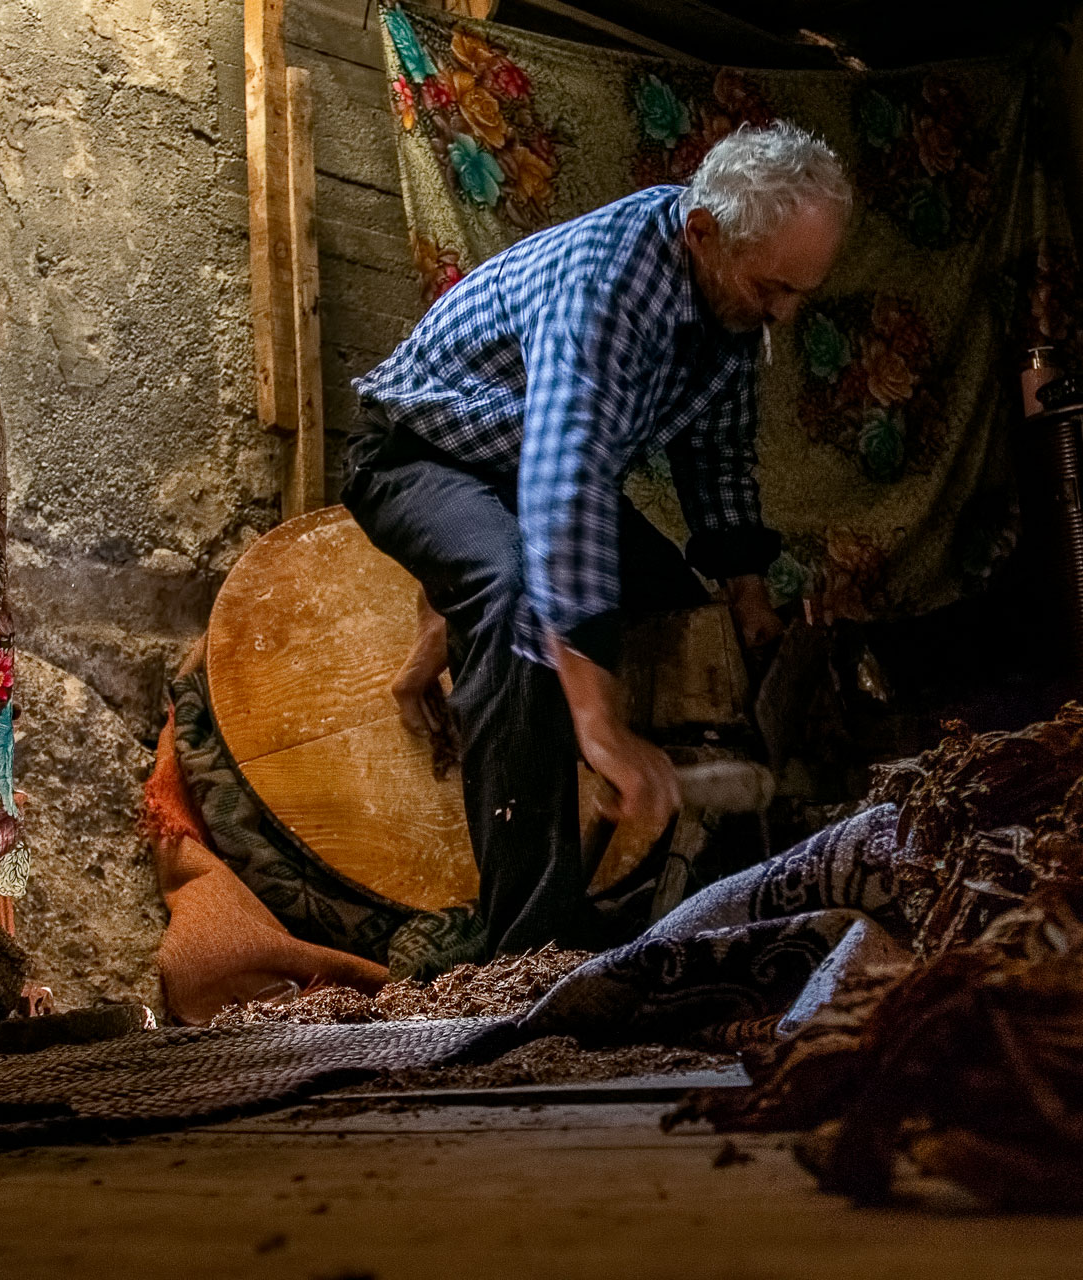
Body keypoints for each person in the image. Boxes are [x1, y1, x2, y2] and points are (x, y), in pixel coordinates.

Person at [342, 121, 851, 957]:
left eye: (803, 295)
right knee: (516, 599)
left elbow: (719, 451)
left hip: (517, 462)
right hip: (417, 456)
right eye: (772, 290)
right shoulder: (608, 282)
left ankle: (678, 901)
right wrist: (602, 727)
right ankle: (532, 949)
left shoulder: (735, 302)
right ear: (703, 235)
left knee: (685, 617)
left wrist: (748, 598)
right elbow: (567, 488)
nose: (785, 316)